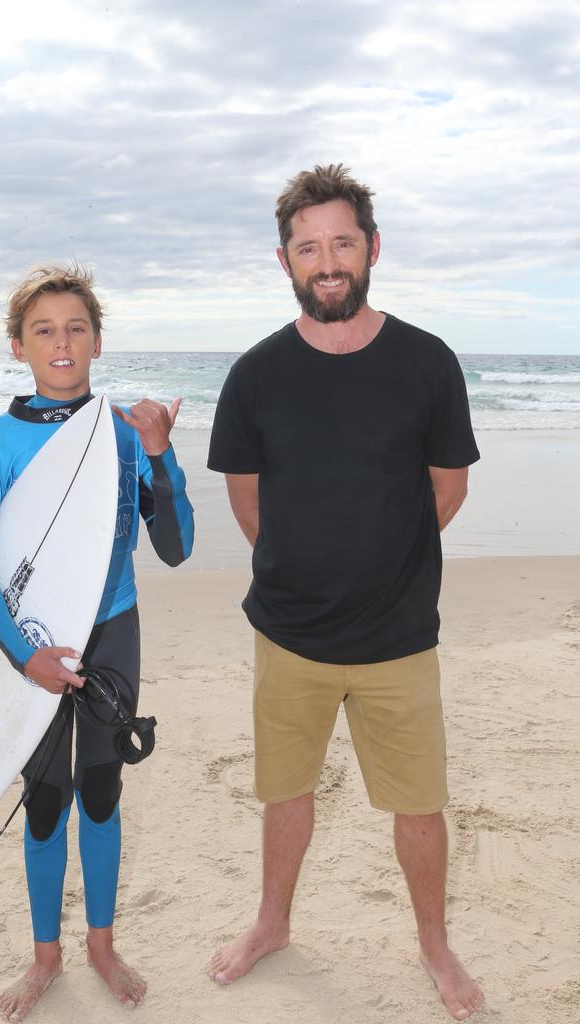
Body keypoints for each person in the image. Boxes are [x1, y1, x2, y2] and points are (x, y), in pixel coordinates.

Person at [206, 164, 483, 1020]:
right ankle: (272, 923)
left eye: (342, 243)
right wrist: (305, 564)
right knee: (284, 792)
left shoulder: (428, 362)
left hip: (400, 636)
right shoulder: (255, 375)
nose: (327, 261)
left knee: (419, 807)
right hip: (288, 634)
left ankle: (434, 943)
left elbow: (448, 486)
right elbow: (246, 497)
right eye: (308, 247)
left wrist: (379, 561)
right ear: (284, 259)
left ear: (371, 248)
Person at [0, 264, 194, 1021]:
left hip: (112, 631)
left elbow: (177, 547)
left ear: (96, 341)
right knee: (46, 801)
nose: (62, 342)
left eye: (76, 328)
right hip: (31, 645)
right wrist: (27, 657)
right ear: (18, 346)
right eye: (44, 330)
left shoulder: (124, 434)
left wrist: (160, 456)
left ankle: (100, 944)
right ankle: (46, 959)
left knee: (100, 790)